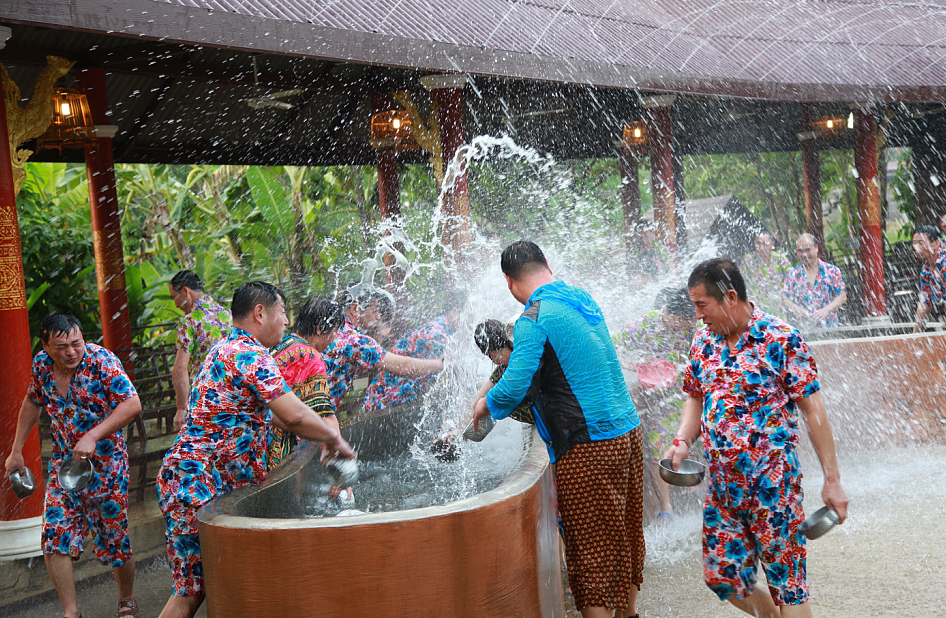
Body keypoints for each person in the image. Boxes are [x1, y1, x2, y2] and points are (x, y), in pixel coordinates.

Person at [156, 281, 355, 618]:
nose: (287, 321)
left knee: (213, 584)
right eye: (282, 312)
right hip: (198, 482)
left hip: (190, 479)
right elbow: (293, 415)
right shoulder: (250, 354)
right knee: (191, 592)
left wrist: (319, 436)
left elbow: (273, 416)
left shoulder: (224, 348)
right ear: (260, 313)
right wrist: (334, 440)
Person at [665, 258, 849, 618]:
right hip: (723, 489)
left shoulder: (781, 338)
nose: (697, 315)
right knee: (723, 579)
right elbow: (695, 396)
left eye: (702, 305)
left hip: (774, 487)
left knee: (788, 587)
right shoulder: (703, 340)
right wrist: (683, 439)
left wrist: (832, 480)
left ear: (730, 298)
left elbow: (814, 413)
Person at [471, 241, 644, 618]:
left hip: (588, 444)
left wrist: (484, 405)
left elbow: (515, 384)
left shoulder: (533, 318)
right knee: (626, 534)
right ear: (547, 264)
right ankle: (630, 613)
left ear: (508, 281)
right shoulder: (582, 299)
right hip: (628, 431)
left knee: (589, 553)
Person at [4, 313, 142, 618]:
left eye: (76, 343)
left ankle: (127, 600)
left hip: (107, 466)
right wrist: (16, 451)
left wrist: (93, 435)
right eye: (62, 347)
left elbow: (132, 404)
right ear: (46, 347)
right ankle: (71, 612)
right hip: (65, 465)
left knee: (114, 539)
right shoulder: (42, 365)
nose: (71, 352)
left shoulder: (102, 361)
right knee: (53, 535)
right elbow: (32, 401)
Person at [613, 288, 697, 524]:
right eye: (689, 321)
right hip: (658, 401)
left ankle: (693, 487)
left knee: (694, 440)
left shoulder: (696, 329)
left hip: (690, 397)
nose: (693, 324)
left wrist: (684, 369)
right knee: (658, 449)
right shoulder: (646, 324)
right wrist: (635, 364)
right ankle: (666, 508)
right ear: (677, 318)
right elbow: (609, 346)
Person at [323, 285, 444, 412]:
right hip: (318, 413)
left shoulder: (335, 329)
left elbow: (356, 369)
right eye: (375, 310)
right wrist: (440, 363)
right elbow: (403, 367)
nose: (378, 317)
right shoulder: (356, 340)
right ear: (355, 308)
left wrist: (379, 337)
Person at [267, 296, 345, 470]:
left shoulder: (282, 343)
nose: (333, 340)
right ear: (320, 328)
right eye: (334, 332)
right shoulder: (309, 356)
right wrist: (340, 457)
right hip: (275, 448)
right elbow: (325, 415)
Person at [362, 290, 466, 414]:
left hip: (394, 402)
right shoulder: (437, 334)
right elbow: (457, 368)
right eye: (470, 312)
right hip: (383, 403)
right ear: (454, 312)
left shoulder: (445, 331)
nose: (472, 319)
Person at [168, 270, 231, 431]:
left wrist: (181, 408)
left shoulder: (189, 321)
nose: (176, 304)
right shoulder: (228, 315)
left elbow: (180, 367)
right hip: (232, 392)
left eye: (175, 297)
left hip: (205, 397)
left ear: (186, 291)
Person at [782, 233, 847, 329]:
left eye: (807, 250)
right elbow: (785, 298)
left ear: (816, 248)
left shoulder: (832, 271)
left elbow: (842, 296)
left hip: (829, 327)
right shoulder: (792, 275)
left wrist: (827, 309)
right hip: (804, 329)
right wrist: (796, 309)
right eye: (800, 251)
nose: (804, 255)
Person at [740, 231, 792, 318]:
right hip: (755, 311)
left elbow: (793, 278)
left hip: (777, 311)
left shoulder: (780, 259)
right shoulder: (748, 260)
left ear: (772, 244)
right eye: (758, 243)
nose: (761, 248)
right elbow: (739, 282)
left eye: (764, 244)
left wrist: (784, 289)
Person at [911, 225, 946, 332]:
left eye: (921, 243)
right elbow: (925, 303)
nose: (917, 248)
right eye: (915, 243)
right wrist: (915, 336)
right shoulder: (926, 270)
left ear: (936, 243)